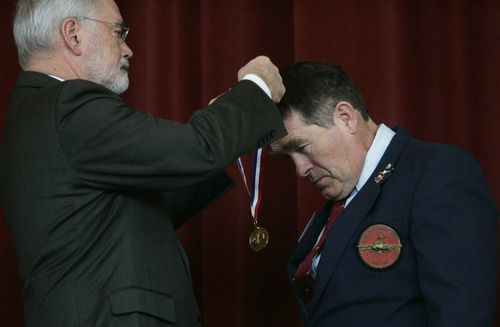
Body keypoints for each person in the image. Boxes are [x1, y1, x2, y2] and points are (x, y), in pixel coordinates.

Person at [0, 0, 287, 326]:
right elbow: (194, 148)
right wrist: (256, 87)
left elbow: (136, 212)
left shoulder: (37, 111)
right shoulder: (66, 104)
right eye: (118, 32)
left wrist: (229, 133)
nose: (129, 49)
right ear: (73, 34)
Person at [269, 61, 498, 326]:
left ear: (345, 117)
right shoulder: (342, 197)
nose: (299, 169)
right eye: (288, 158)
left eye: (303, 146)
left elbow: (462, 315)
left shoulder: (436, 171)